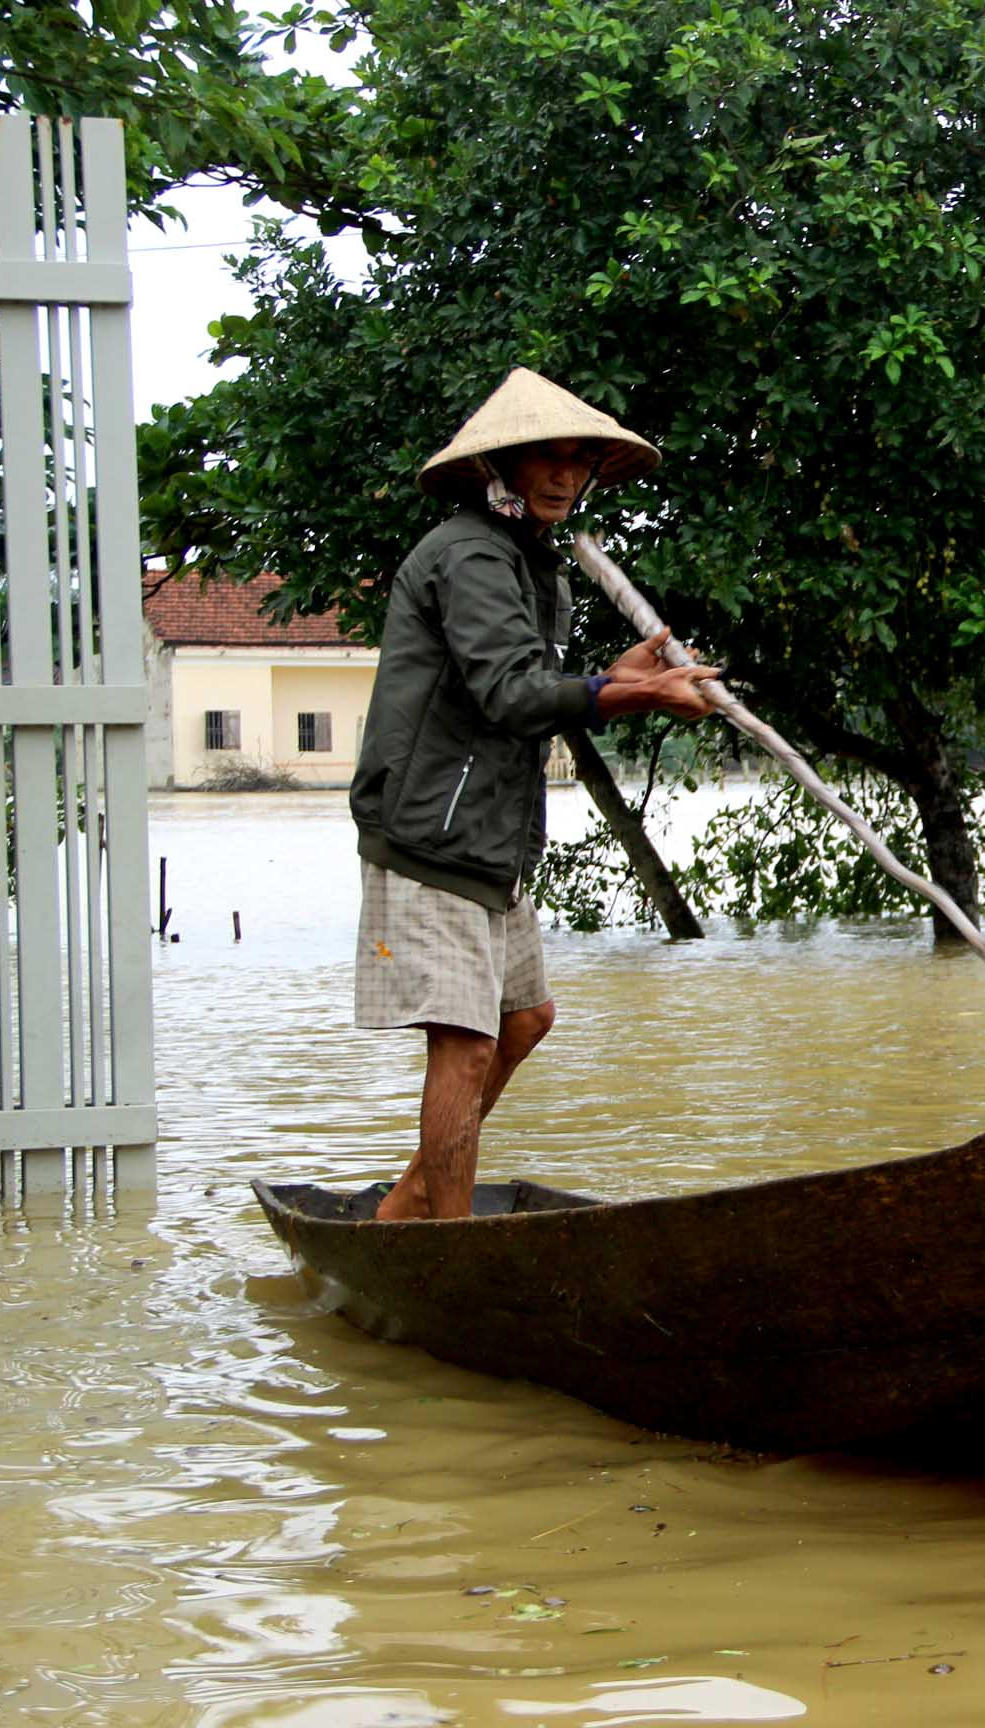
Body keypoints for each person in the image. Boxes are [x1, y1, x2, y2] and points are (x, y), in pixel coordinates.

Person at [351, 367, 721, 1221]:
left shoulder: (529, 562)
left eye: (577, 462)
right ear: (505, 466)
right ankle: (447, 1245)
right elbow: (513, 696)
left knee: (526, 1021)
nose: (563, 476)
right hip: (427, 836)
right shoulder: (470, 554)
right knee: (468, 1046)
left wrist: (613, 679)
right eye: (545, 460)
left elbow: (530, 686)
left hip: (489, 836)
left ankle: (407, 1204)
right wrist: (630, 692)